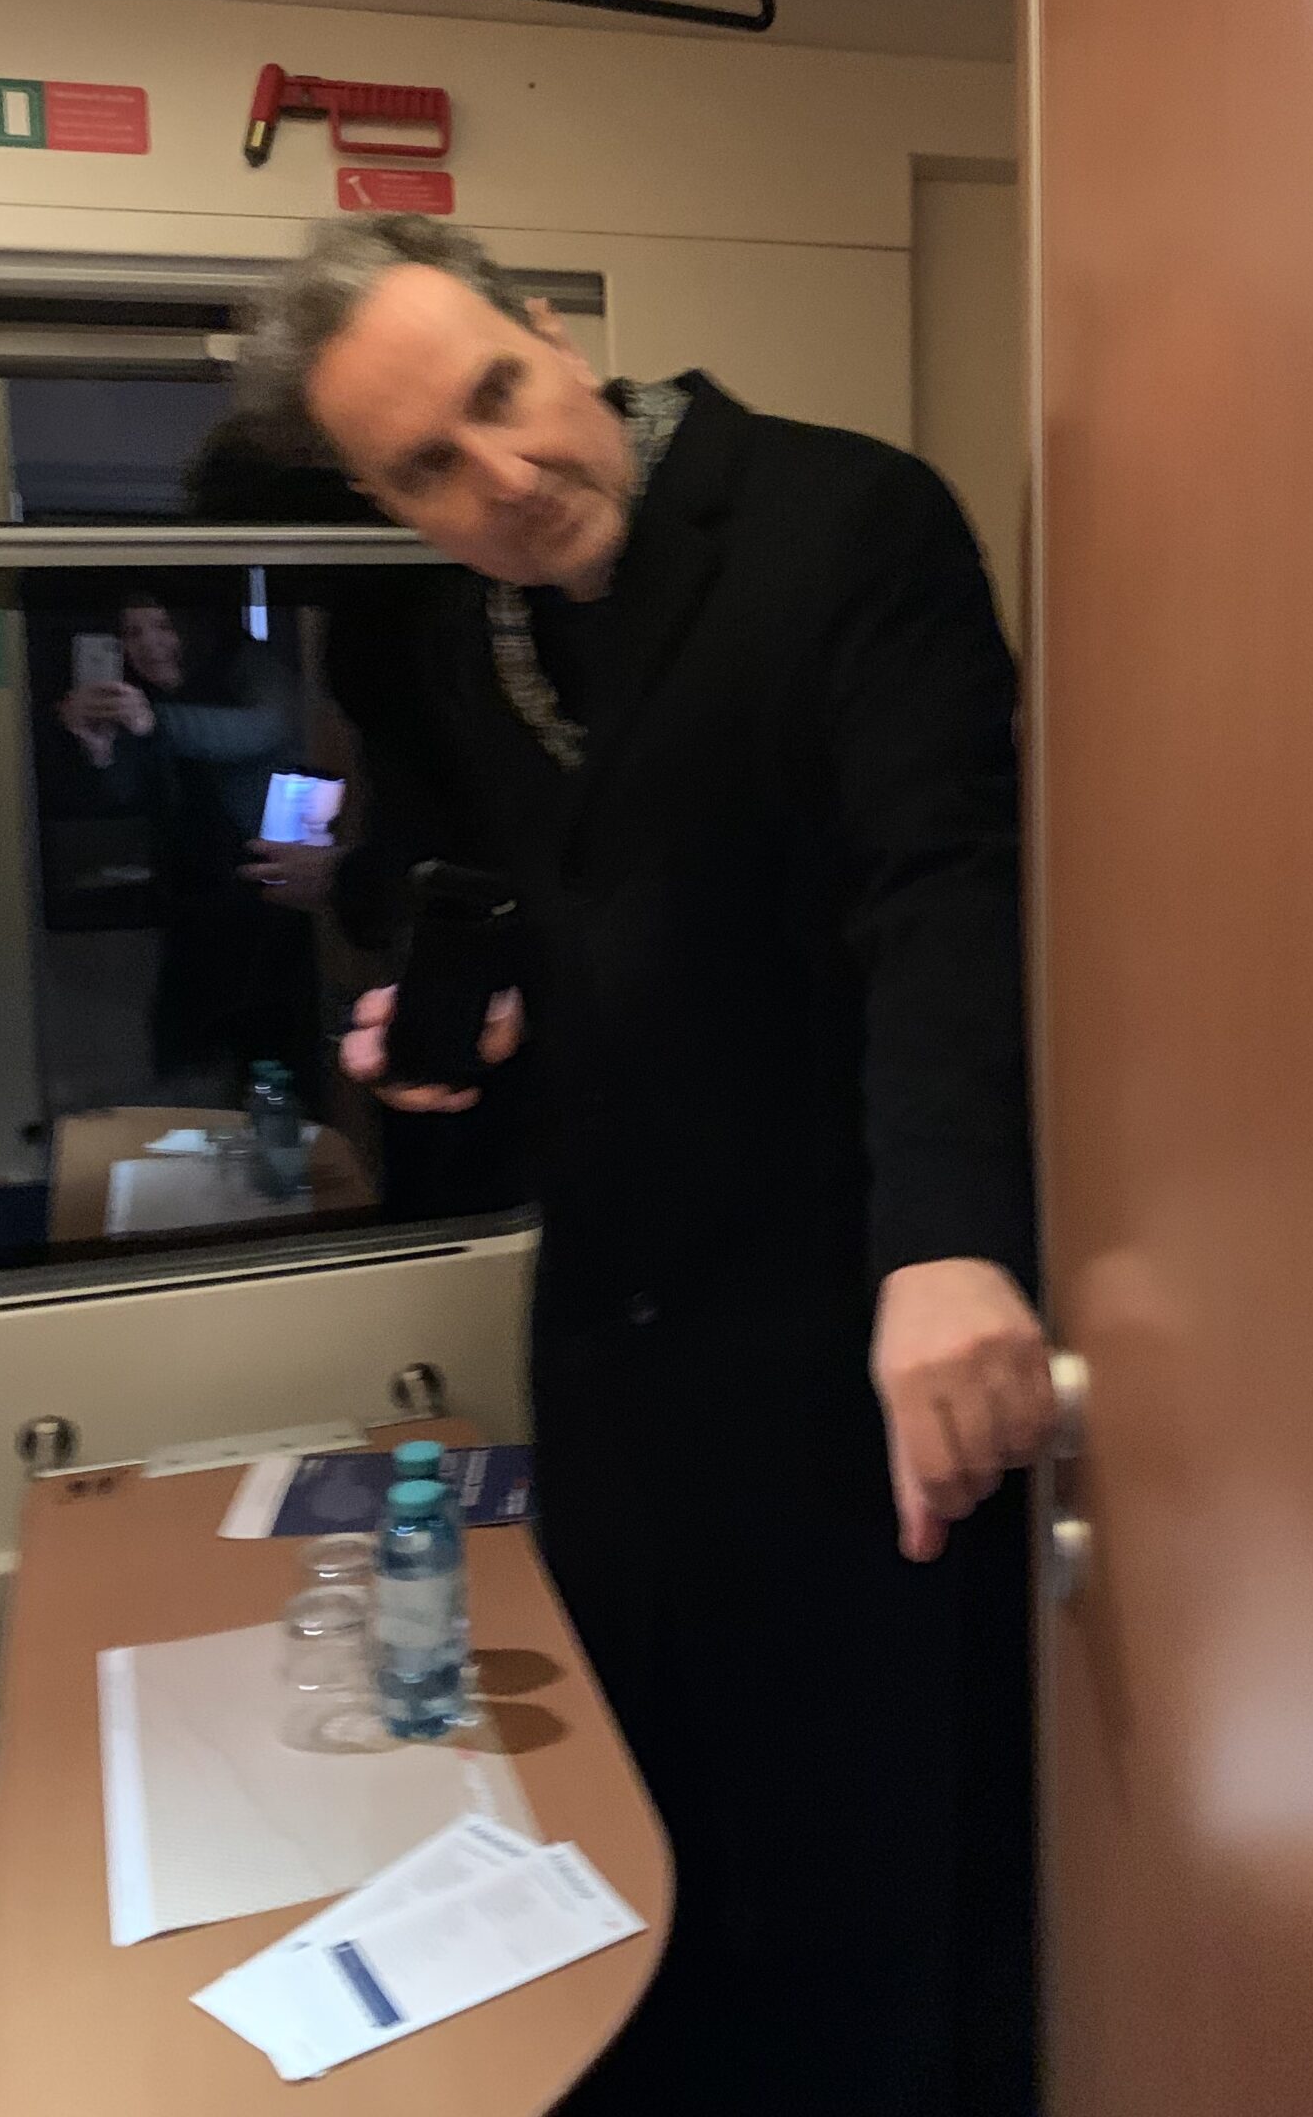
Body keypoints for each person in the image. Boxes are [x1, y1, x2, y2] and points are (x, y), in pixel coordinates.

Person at [235, 215, 1054, 2116]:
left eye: (503, 393)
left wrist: (948, 1240)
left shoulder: (845, 520)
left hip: (848, 1311)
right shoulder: (446, 636)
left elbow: (941, 889)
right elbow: (441, 885)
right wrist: (449, 1022)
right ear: (385, 501)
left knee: (868, 1855)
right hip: (614, 1332)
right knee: (635, 1816)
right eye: (430, 468)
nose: (506, 476)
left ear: (550, 329)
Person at [53, 591, 317, 1102]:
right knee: (188, 1045)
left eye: (163, 627)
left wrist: (154, 723)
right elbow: (127, 793)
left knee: (274, 1042)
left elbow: (265, 728)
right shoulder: (138, 697)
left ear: (192, 628)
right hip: (194, 896)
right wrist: (99, 748)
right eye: (132, 633)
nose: (149, 644)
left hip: (272, 886)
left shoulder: (248, 666)